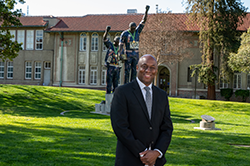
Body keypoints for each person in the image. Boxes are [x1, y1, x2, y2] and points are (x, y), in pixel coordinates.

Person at [111, 54, 173, 166]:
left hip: (156, 162)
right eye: (144, 66)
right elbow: (120, 127)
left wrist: (156, 152)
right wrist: (144, 153)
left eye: (152, 67)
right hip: (130, 160)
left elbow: (167, 128)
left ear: (156, 70)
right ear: (137, 68)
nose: (148, 70)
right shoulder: (122, 92)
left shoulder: (162, 95)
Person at [119, 5, 150, 84]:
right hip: (128, 54)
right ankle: (126, 85)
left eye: (134, 28)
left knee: (134, 70)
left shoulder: (137, 31)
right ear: (129, 28)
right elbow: (121, 45)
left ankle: (132, 84)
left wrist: (146, 11)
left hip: (135, 54)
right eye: (132, 29)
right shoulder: (125, 34)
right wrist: (120, 54)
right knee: (127, 71)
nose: (133, 30)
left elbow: (144, 20)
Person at [103, 26, 122, 94]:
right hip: (110, 66)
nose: (117, 43)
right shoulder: (110, 45)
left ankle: (115, 97)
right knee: (109, 83)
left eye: (118, 42)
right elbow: (104, 38)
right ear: (114, 41)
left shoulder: (120, 48)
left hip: (117, 67)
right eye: (116, 42)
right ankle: (108, 96)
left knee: (116, 84)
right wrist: (106, 31)